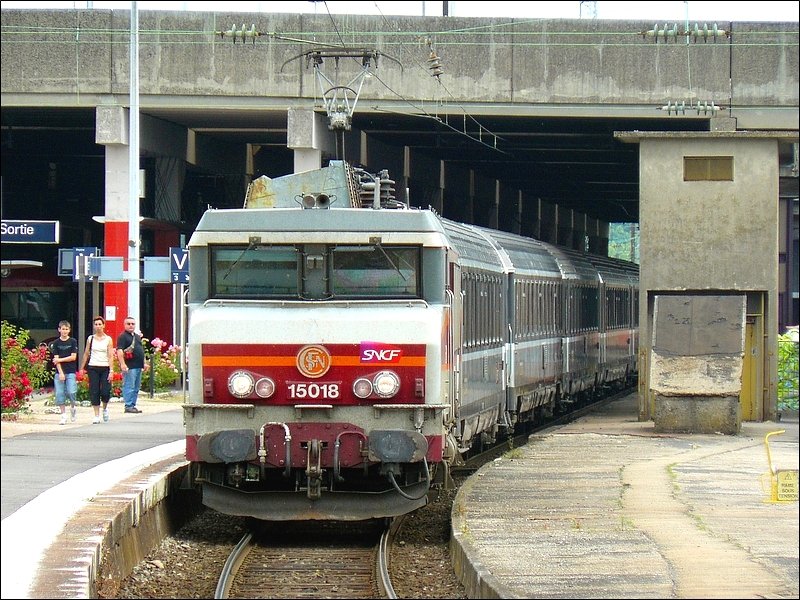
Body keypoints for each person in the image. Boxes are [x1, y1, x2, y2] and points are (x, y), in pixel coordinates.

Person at [79, 315, 115, 424]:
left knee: (105, 391)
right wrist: (82, 368)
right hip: (93, 366)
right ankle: (96, 415)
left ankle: (105, 408)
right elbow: (86, 353)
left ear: (103, 325)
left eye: (100, 324)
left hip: (105, 367)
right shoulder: (90, 339)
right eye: (96, 324)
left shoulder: (108, 339)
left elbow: (110, 355)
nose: (98, 326)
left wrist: (111, 370)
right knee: (94, 390)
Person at [116, 316, 148, 414]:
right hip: (129, 366)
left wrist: (144, 363)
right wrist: (123, 364)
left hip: (138, 365)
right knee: (129, 386)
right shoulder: (122, 336)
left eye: (133, 324)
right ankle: (128, 405)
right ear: (124, 325)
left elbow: (141, 350)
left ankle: (133, 405)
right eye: (128, 324)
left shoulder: (137, 336)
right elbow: (120, 351)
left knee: (136, 387)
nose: (131, 325)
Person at [49, 320, 79, 425]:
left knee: (71, 392)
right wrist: (61, 373)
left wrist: (60, 360)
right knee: (59, 393)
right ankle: (63, 415)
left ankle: (73, 407)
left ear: (69, 330)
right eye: (63, 329)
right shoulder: (56, 343)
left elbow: (73, 357)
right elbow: (55, 359)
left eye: (66, 329)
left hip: (71, 371)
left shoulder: (73, 341)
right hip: (60, 372)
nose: (64, 331)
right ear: (59, 330)